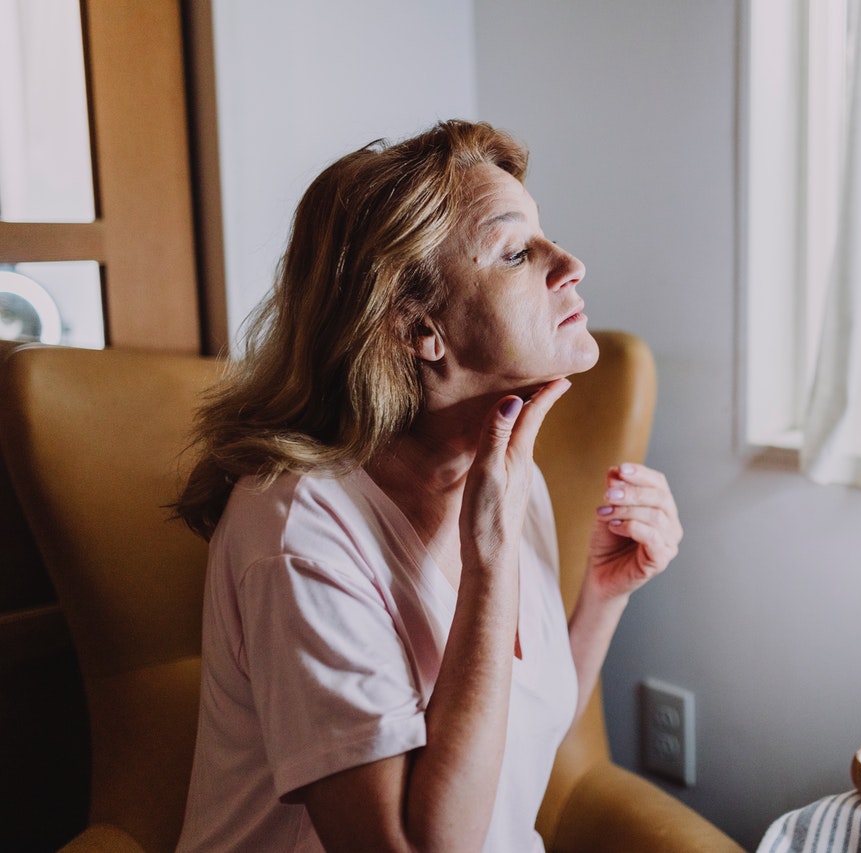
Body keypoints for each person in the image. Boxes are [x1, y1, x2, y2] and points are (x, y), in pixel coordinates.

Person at [173, 119, 682, 852]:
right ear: (419, 328)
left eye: (545, 237)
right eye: (515, 252)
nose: (568, 262)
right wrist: (491, 552)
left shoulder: (507, 476)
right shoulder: (297, 534)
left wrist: (604, 595)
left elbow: (512, 742)